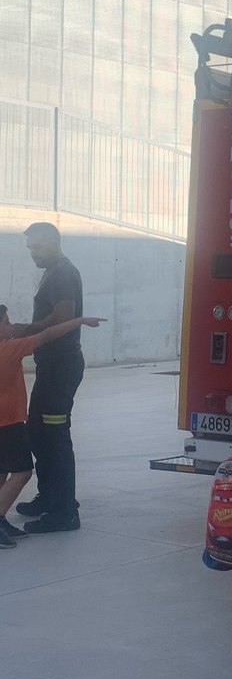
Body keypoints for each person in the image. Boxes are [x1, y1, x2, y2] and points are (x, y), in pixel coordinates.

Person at [0, 306, 105, 547]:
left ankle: (2, 517)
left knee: (1, 472)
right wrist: (78, 320)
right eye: (6, 322)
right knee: (23, 472)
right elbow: (47, 335)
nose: (11, 326)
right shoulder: (8, 350)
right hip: (8, 423)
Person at [14, 223, 86, 533]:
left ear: (54, 242)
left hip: (61, 366)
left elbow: (63, 317)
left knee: (54, 436)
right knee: (40, 432)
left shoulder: (62, 273)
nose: (33, 253)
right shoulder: (54, 271)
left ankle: (65, 511)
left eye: (37, 246)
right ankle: (49, 496)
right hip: (52, 366)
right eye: (30, 248)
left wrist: (24, 331)